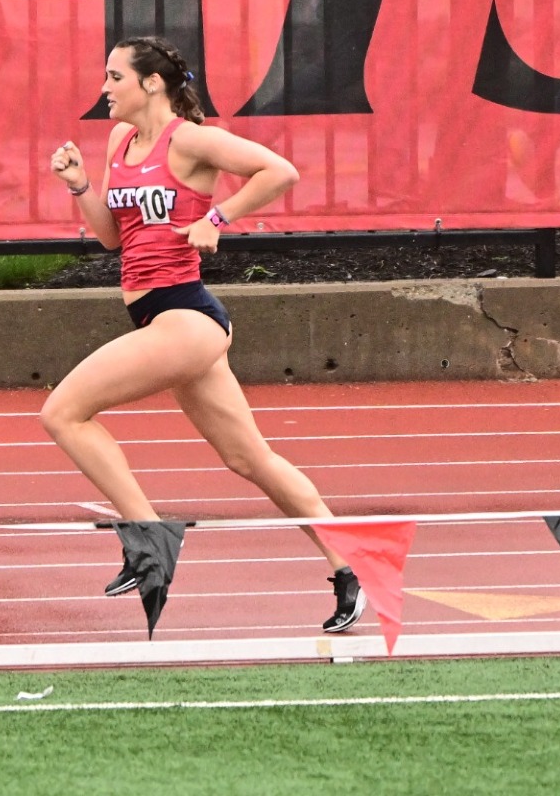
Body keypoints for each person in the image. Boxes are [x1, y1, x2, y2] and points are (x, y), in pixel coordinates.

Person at [43, 35, 365, 633]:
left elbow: (280, 170)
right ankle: (349, 568)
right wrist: (80, 185)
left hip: (186, 317)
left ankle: (148, 538)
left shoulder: (189, 140)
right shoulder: (118, 141)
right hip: (158, 317)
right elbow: (115, 239)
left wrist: (218, 218)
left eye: (114, 77)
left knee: (63, 412)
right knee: (250, 458)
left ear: (152, 84)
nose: (103, 88)